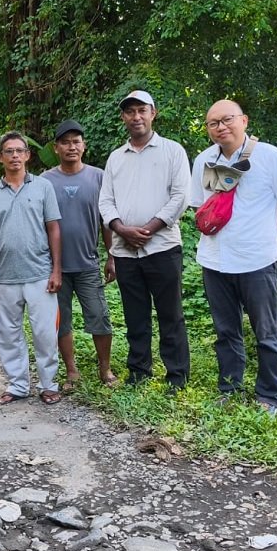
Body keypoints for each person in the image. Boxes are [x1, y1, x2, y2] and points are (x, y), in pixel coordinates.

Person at [189, 100, 277, 415]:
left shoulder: (271, 157)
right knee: (226, 331)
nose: (221, 127)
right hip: (215, 258)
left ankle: (269, 396)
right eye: (213, 123)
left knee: (266, 331)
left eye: (227, 120)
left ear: (244, 120)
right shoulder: (204, 160)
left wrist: (265, 230)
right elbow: (201, 205)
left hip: (258, 260)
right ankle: (229, 388)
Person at [98, 91, 191, 390]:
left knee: (170, 315)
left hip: (162, 247)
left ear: (153, 113)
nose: (136, 117)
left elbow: (181, 197)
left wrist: (149, 229)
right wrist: (122, 230)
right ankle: (139, 373)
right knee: (135, 316)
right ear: (123, 117)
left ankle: (177, 376)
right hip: (125, 252)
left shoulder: (172, 151)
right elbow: (105, 201)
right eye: (130, 112)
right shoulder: (115, 158)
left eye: (142, 110)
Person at [0, 131, 64, 405]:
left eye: (19, 151)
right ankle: (17, 384)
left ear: (28, 155)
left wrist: (56, 270)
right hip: (6, 276)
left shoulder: (43, 187)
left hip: (40, 273)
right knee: (8, 334)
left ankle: (48, 384)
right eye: (9, 151)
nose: (14, 155)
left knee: (44, 333)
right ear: (0, 157)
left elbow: (54, 228)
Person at [43, 120, 118, 391]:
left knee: (99, 315)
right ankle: (71, 371)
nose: (71, 146)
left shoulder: (98, 177)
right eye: (65, 142)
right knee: (61, 320)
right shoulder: (45, 182)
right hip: (55, 267)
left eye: (76, 141)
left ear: (84, 146)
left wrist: (111, 256)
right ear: (57, 148)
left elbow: (106, 220)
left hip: (88, 264)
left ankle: (105, 368)